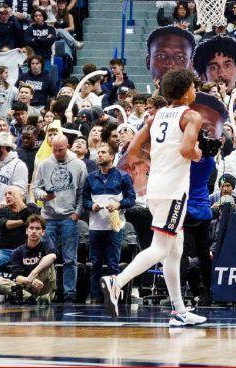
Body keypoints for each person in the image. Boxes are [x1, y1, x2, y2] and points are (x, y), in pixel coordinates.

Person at [101, 68, 206, 326]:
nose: (195, 91)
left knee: (175, 250)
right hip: (173, 191)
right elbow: (187, 150)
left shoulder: (156, 116)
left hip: (155, 188)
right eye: (193, 87)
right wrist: (199, 153)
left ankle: (179, 311)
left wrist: (158, 156)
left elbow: (133, 148)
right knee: (160, 248)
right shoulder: (191, 116)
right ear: (186, 91)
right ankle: (117, 281)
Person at [32, 134, 88, 302]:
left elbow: (82, 192)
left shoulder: (79, 165)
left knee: (70, 258)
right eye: (54, 150)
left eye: (60, 150)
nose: (57, 153)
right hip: (48, 216)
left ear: (68, 146)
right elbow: (35, 189)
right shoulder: (44, 164)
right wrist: (44, 196)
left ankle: (69, 293)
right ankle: (47, 292)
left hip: (69, 216)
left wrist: (77, 213)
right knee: (47, 257)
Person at [82, 142, 136, 303]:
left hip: (115, 226)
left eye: (103, 152)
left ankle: (113, 296)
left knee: (113, 263)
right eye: (98, 152)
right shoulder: (91, 177)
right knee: (95, 263)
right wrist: (91, 205)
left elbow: (131, 199)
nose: (99, 155)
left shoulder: (123, 176)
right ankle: (96, 296)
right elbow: (84, 199)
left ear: (112, 156)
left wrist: (119, 204)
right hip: (95, 226)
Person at [0, 215, 58, 304]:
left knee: (48, 262)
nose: (34, 231)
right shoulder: (18, 252)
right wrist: (29, 280)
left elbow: (52, 256)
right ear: (27, 231)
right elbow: (17, 277)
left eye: (37, 229)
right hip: (27, 287)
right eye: (31, 228)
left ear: (43, 232)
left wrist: (33, 273)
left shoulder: (46, 245)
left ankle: (39, 297)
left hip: (43, 287)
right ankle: (32, 299)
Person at [0, 131, 29, 208]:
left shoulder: (19, 165)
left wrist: (6, 202)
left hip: (8, 208)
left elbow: (21, 190)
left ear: (3, 148)